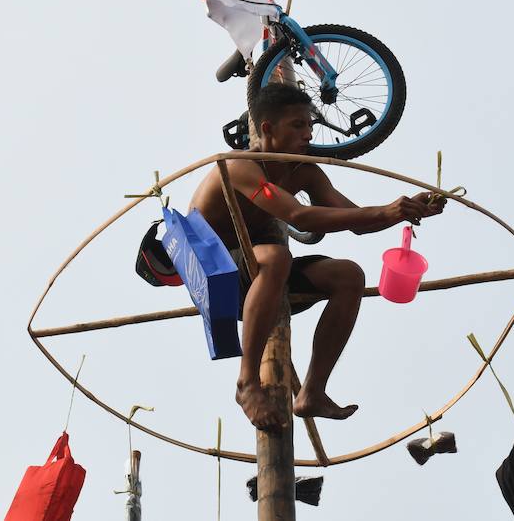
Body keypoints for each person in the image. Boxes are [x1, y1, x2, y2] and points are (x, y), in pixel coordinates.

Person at [188, 83, 446, 431]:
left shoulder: (304, 171)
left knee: (349, 275)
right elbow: (299, 217)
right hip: (214, 274)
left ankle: (312, 391)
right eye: (297, 126)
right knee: (277, 258)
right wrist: (385, 211)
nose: (308, 134)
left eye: (310, 126)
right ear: (267, 129)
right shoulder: (240, 166)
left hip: (260, 272)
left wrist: (402, 212)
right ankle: (247, 383)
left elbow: (357, 221)